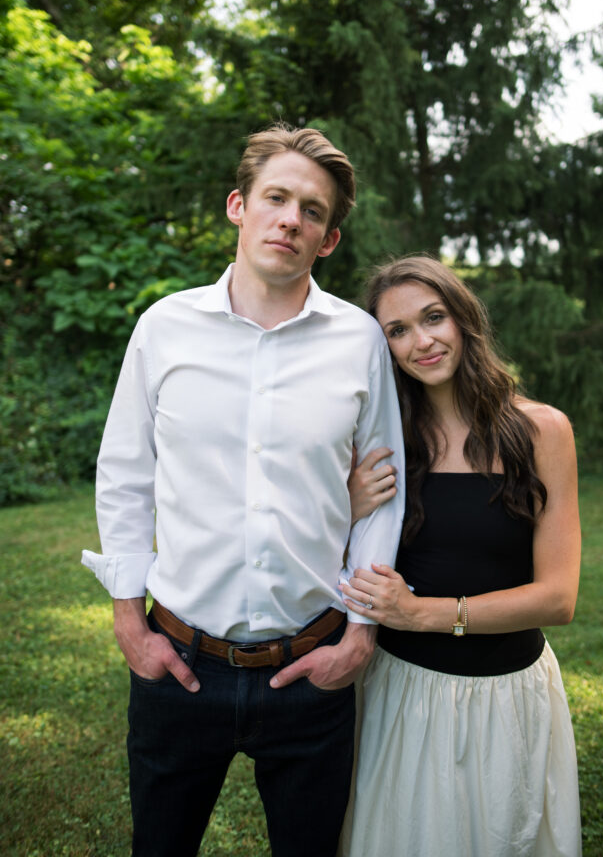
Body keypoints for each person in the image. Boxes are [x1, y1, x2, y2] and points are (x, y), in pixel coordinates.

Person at [81, 124, 405, 857]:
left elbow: (382, 495)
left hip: (311, 670)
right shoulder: (164, 329)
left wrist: (358, 639)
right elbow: (126, 475)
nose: (291, 218)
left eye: (312, 211)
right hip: (178, 665)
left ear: (327, 240)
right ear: (239, 206)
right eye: (276, 198)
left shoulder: (356, 342)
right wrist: (131, 623)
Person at [339, 255, 582, 857]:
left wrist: (424, 612)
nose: (420, 341)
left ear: (464, 319)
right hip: (402, 691)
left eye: (433, 318)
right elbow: (323, 557)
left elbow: (558, 598)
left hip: (507, 692)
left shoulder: (543, 431)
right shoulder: (383, 441)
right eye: (397, 331)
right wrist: (344, 507)